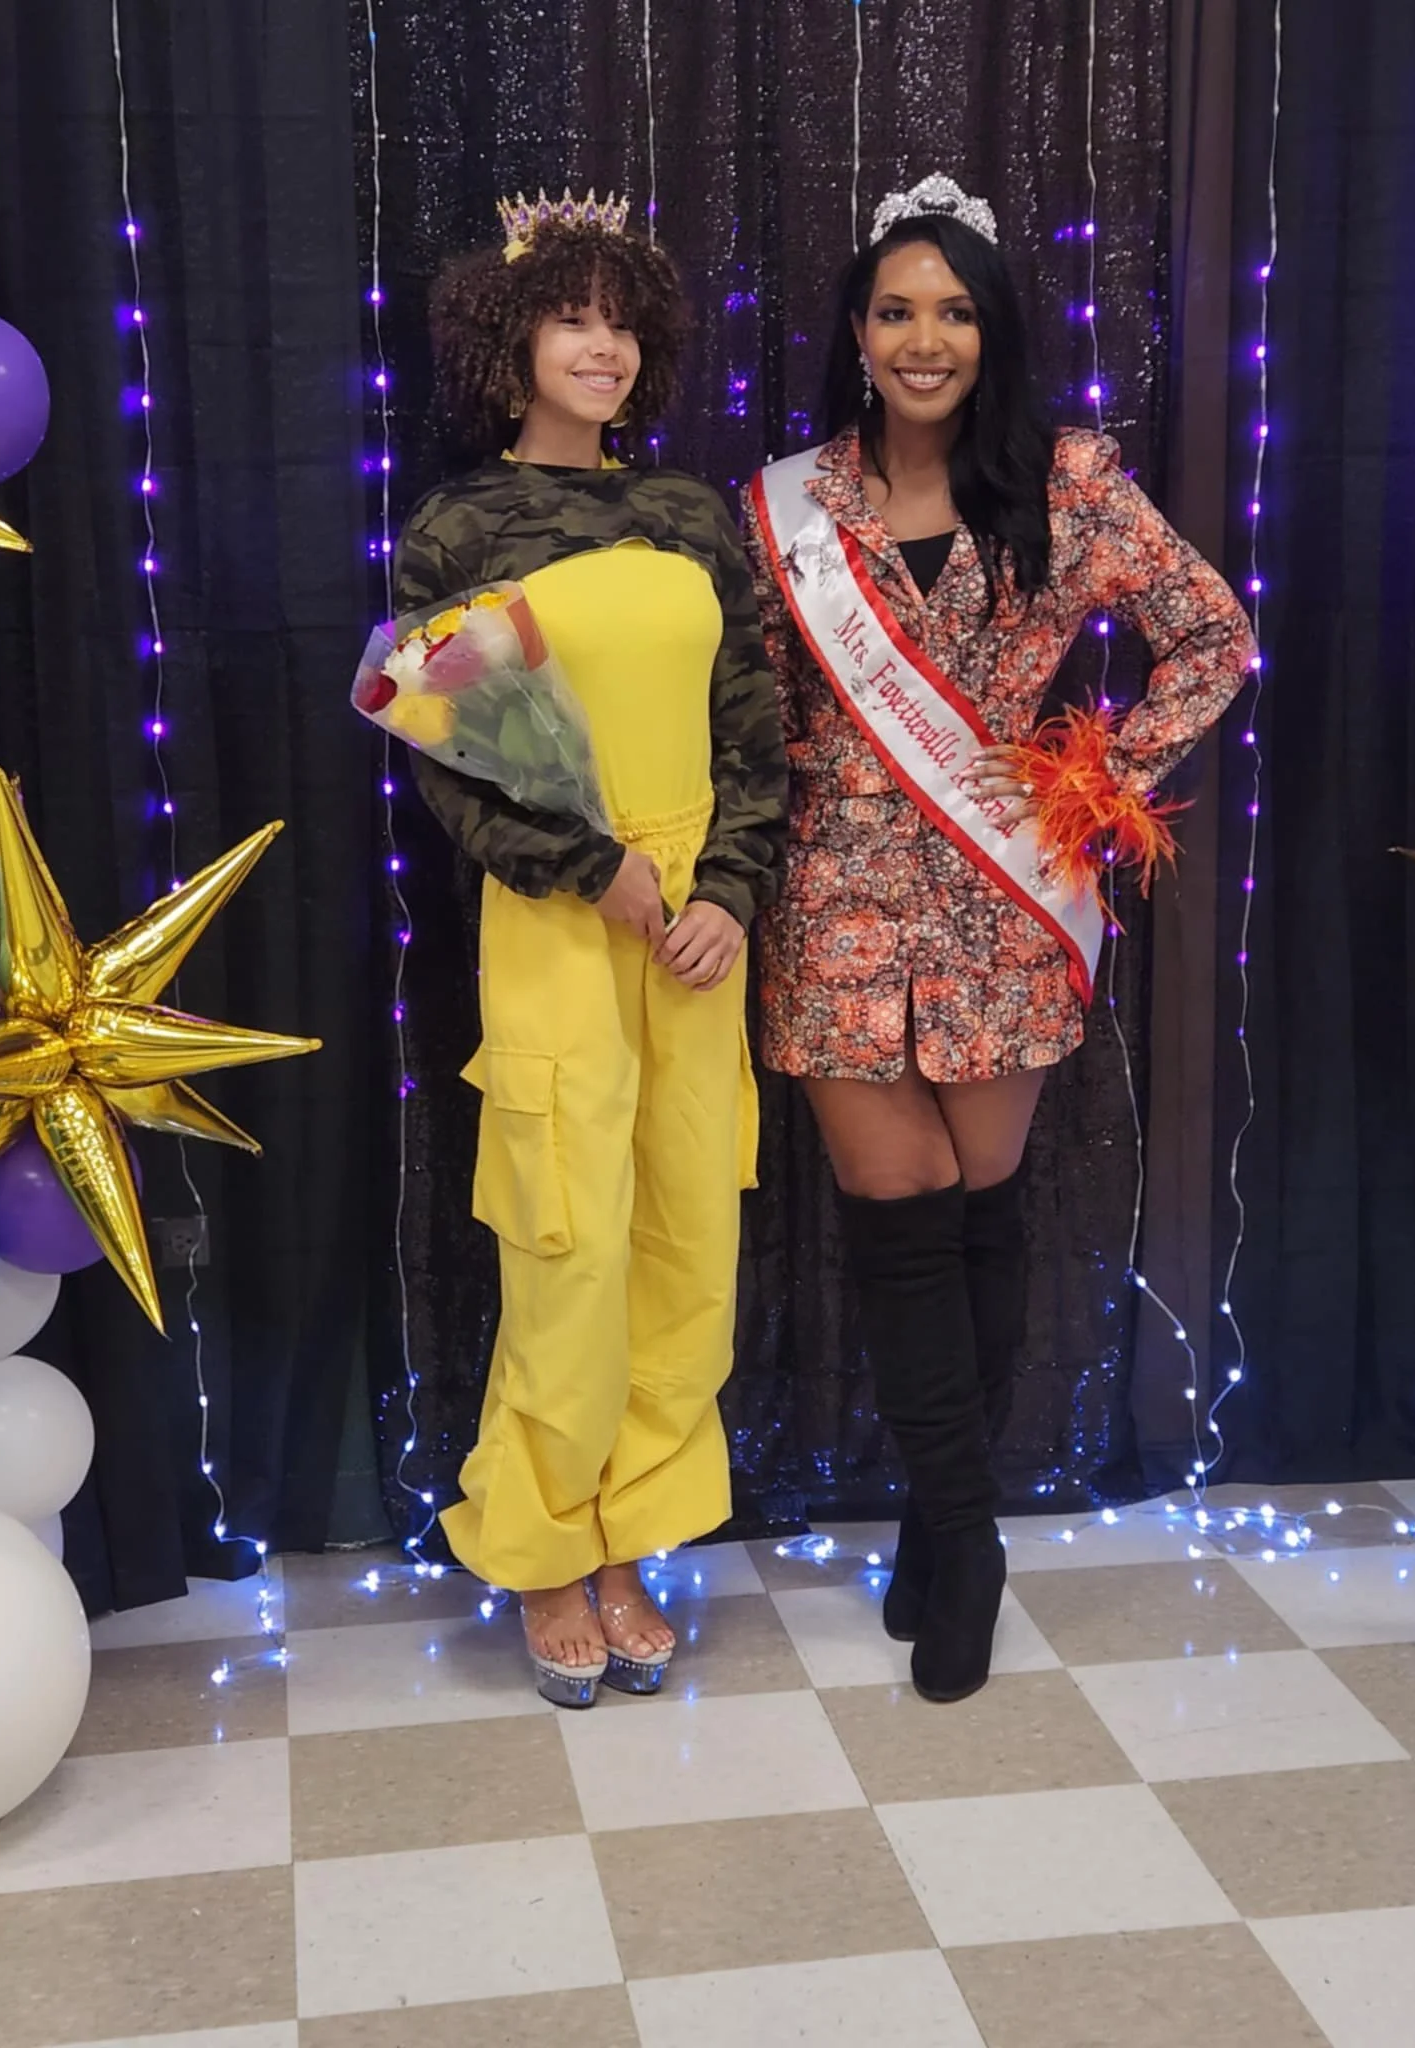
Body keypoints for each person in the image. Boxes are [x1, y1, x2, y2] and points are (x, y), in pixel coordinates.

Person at [743, 175, 1254, 1706]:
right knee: (893, 1218)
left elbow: (1215, 636)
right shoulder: (785, 506)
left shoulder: (1074, 481)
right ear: (856, 331)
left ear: (992, 332)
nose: (924, 337)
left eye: (954, 310)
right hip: (831, 905)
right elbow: (753, 717)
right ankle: (963, 1543)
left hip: (1006, 898)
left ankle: (935, 1528)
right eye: (896, 309)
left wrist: (1094, 782)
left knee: (977, 1208)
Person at [394, 190, 787, 1707]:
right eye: (574, 316)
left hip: (697, 928)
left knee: (691, 1232)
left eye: (623, 320)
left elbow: (756, 733)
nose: (603, 344)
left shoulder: (691, 514)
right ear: (513, 340)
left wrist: (727, 891)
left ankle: (639, 1542)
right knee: (567, 1240)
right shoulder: (462, 524)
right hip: (562, 916)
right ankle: (546, 1550)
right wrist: (594, 867)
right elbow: (448, 746)